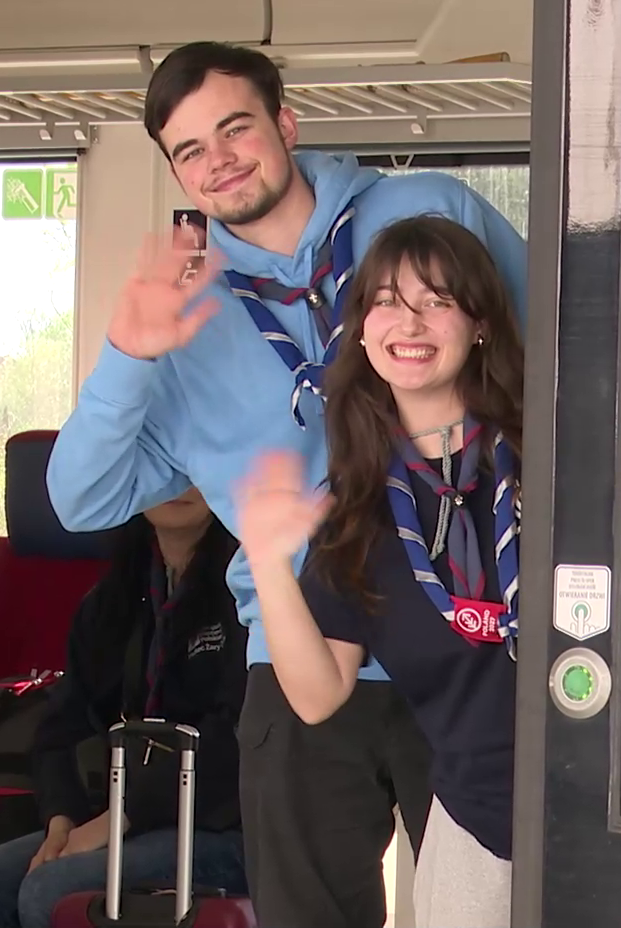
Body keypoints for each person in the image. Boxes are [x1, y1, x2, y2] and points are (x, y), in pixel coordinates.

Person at [46, 41, 527, 927]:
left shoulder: (424, 210)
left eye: (236, 128)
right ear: (177, 174)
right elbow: (80, 498)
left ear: (286, 124)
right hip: (299, 648)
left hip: (472, 643)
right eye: (190, 151)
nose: (220, 160)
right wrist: (127, 352)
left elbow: (556, 349)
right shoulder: (184, 315)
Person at [232, 216, 521, 927]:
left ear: (480, 324)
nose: (409, 321)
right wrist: (267, 559)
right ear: (360, 331)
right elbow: (318, 696)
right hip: (479, 826)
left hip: (591, 806)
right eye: (386, 301)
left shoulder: (548, 454)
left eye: (437, 300)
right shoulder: (359, 506)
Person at [0, 487, 248, 928]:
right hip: (120, 820)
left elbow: (238, 742)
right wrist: (60, 822)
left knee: (51, 891)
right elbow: (61, 727)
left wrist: (117, 820)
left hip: (225, 830)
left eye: (192, 466)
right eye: (163, 464)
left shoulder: (249, 592)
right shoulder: (113, 599)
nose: (177, 484)